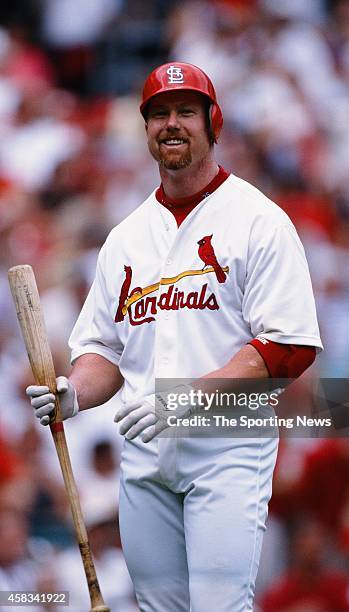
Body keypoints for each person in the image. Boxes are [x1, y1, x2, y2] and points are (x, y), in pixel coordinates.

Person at [26, 62, 323, 611]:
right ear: (145, 130)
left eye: (186, 110)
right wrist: (72, 392)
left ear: (214, 123)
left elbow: (289, 347)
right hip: (143, 454)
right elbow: (104, 350)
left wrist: (187, 398)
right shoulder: (125, 238)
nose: (172, 123)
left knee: (217, 604)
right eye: (158, 113)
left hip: (226, 448)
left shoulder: (258, 220)